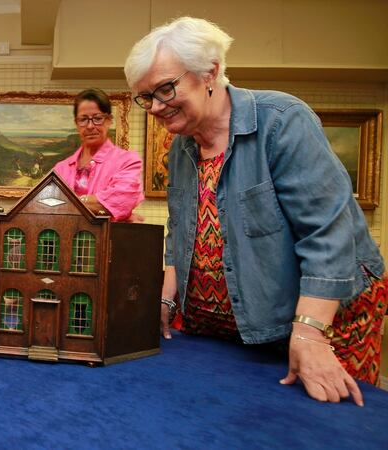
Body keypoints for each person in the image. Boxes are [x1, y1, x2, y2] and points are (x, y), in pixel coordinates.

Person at [124, 17, 386, 406]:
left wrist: (311, 333)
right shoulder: (181, 146)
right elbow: (179, 230)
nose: (155, 107)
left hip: (322, 321)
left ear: (210, 71)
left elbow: (330, 234)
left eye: (165, 88)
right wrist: (165, 300)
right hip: (237, 332)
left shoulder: (281, 120)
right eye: (145, 97)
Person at [53, 88, 144, 221]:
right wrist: (97, 203)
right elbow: (46, 206)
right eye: (83, 119)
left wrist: (65, 202)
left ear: (109, 120)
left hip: (109, 240)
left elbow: (122, 201)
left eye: (97, 118)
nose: (90, 126)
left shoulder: (128, 161)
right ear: (76, 123)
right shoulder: (61, 168)